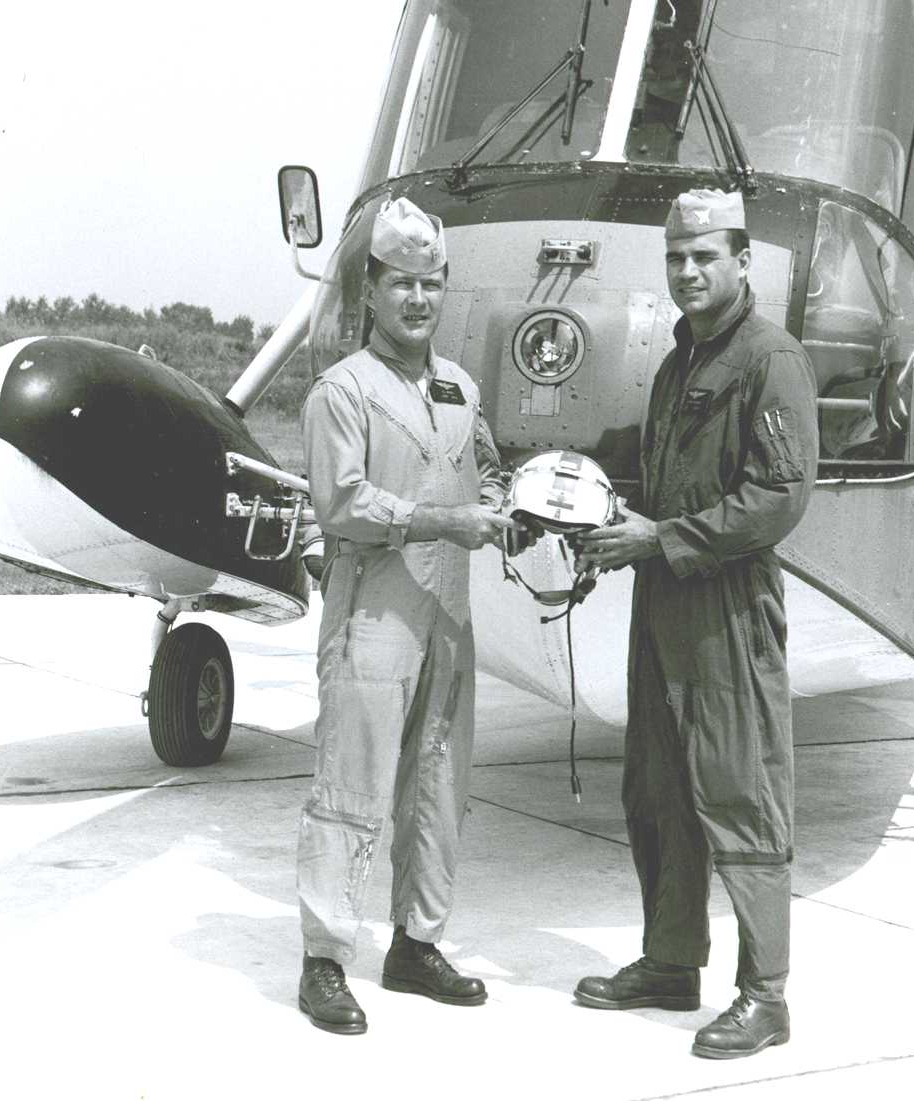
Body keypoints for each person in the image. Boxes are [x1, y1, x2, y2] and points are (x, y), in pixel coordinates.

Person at [572, 188, 818, 1059]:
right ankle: (672, 962)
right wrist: (569, 482)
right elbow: (649, 464)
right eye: (676, 257)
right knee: (658, 787)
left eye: (704, 256)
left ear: (741, 262)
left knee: (738, 790)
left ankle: (766, 994)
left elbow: (778, 496)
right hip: (662, 596)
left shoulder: (768, 357)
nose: (687, 271)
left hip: (725, 605)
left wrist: (664, 538)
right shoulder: (680, 360)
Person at [296, 196, 521, 1035]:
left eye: (431, 284)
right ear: (371, 291)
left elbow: (489, 466)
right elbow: (343, 503)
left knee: (437, 784)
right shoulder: (341, 391)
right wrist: (447, 521)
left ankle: (415, 943)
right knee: (349, 784)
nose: (418, 300)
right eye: (401, 284)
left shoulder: (459, 386)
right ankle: (324, 958)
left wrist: (498, 501)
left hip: (447, 620)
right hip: (372, 618)